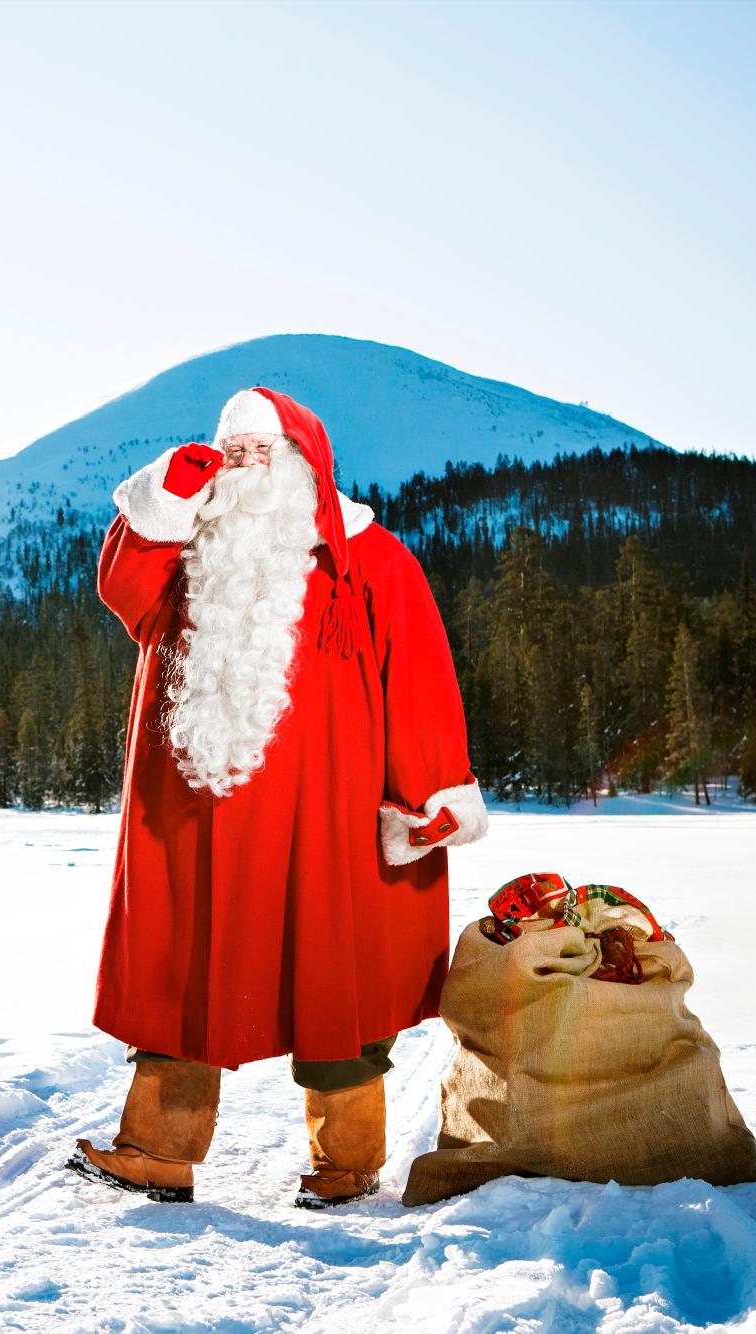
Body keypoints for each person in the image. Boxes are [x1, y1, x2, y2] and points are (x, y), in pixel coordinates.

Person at [64, 385, 487, 1208]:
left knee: (335, 979)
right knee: (181, 977)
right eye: (235, 453)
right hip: (197, 813)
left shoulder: (371, 558)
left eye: (265, 452)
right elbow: (121, 588)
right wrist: (166, 497)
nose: (248, 468)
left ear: (304, 464)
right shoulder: (189, 551)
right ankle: (157, 1150)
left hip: (327, 814)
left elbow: (421, 679)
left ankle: (346, 1163)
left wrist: (428, 792)